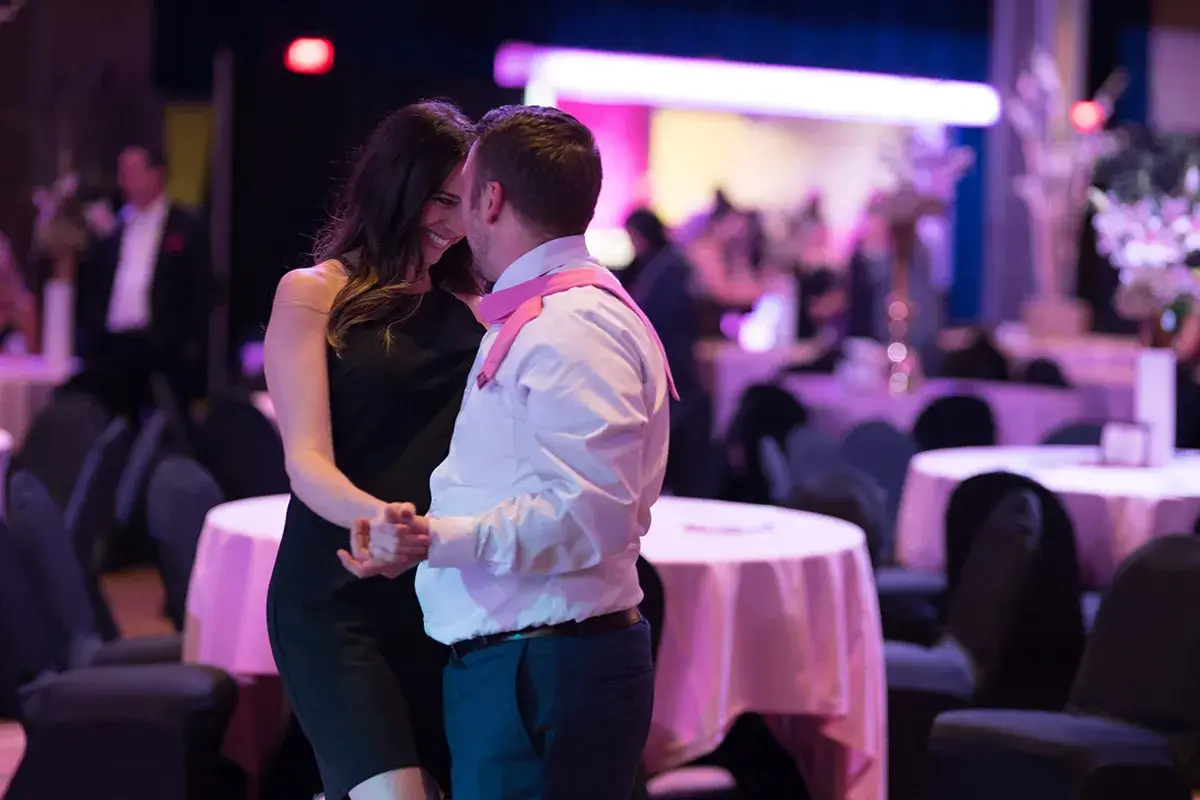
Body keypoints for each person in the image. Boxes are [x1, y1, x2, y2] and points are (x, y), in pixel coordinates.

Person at [355, 106, 673, 800]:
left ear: (490, 199)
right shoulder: (549, 311)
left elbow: (589, 517)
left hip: (545, 670)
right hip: (536, 664)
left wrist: (435, 540)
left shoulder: (572, 326)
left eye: (460, 194)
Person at [263, 100, 483, 800]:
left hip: (439, 596)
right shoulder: (312, 294)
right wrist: (381, 520)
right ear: (397, 184)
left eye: (469, 202)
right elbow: (306, 461)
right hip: (336, 595)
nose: (453, 222)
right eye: (440, 199)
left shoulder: (479, 310)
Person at [76, 143, 213, 418]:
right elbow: (94, 287)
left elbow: (201, 290)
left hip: (161, 349)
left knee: (162, 429)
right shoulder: (114, 225)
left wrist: (188, 346)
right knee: (113, 426)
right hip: (113, 348)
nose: (124, 178)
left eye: (133, 170)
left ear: (156, 174)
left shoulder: (185, 225)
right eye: (122, 171)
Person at [624, 207, 714, 497]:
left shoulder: (669, 268)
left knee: (671, 444)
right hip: (667, 364)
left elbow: (657, 320)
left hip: (669, 366)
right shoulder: (663, 264)